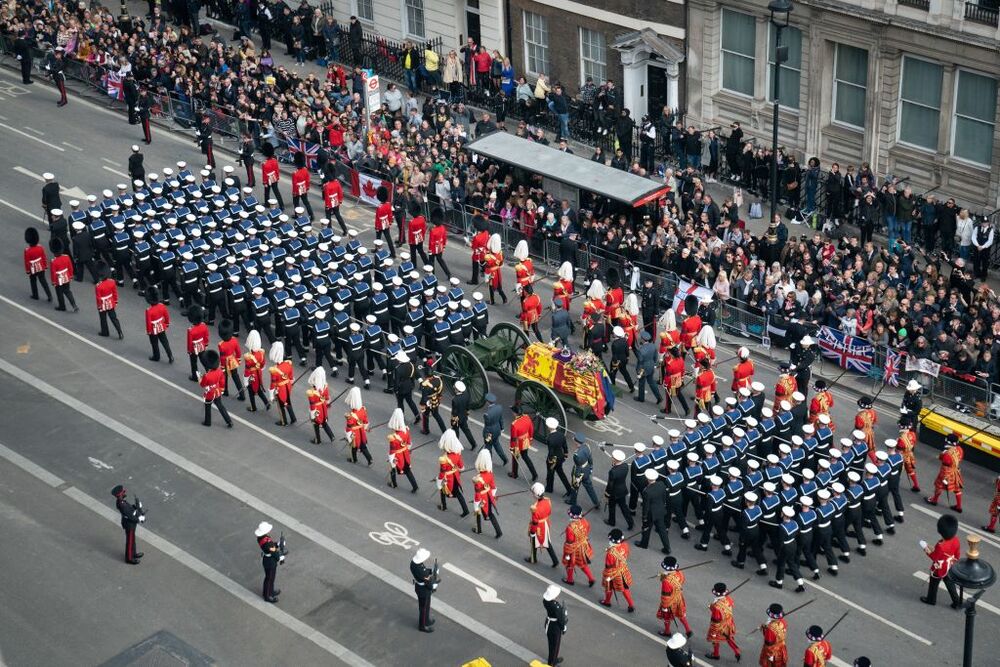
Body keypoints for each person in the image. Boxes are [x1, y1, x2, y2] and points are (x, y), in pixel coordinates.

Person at [920, 514, 962, 607]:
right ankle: (957, 602)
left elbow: (934, 557)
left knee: (933, 584)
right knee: (950, 584)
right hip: (950, 566)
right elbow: (957, 555)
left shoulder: (940, 545)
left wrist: (926, 550)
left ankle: (931, 599)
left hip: (939, 569)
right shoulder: (956, 540)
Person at [636, 468, 671, 554]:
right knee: (662, 530)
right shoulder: (662, 484)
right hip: (660, 510)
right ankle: (667, 548)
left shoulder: (647, 491)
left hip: (651, 514)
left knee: (646, 528)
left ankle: (644, 544)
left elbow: (646, 506)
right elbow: (664, 497)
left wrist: (644, 517)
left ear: (648, 479)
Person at [600, 528, 635, 612]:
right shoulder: (625, 545)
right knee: (625, 588)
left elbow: (608, 565)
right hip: (623, 569)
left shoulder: (611, 552)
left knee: (608, 587)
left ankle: (607, 601)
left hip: (612, 571)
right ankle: (631, 604)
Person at [926, 434, 964, 512]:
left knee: (938, 485)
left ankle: (934, 500)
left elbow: (945, 463)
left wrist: (943, 454)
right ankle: (959, 506)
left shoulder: (947, 454)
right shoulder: (960, 449)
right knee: (957, 489)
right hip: (955, 471)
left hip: (946, 472)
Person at [656, 556, 692, 637]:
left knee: (666, 617)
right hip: (678, 597)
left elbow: (665, 594)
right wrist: (664, 575)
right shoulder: (680, 573)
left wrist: (664, 606)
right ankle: (688, 630)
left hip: (670, 601)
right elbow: (682, 581)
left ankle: (667, 631)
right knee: (681, 615)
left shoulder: (666, 581)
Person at [436, 430, 470, 515]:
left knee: (442, 490)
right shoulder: (457, 454)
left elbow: (442, 472)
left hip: (448, 478)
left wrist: (439, 480)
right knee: (458, 493)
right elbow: (461, 466)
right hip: (455, 476)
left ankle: (444, 506)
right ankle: (465, 510)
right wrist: (458, 470)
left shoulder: (444, 459)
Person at [562, 504, 595, 586]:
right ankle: (591, 578)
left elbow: (569, 541)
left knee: (570, 563)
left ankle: (570, 580)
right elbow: (587, 531)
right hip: (583, 546)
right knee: (583, 564)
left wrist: (567, 552)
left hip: (574, 548)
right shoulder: (585, 521)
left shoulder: (570, 528)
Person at [527, 482, 560, 567]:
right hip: (545, 523)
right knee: (547, 542)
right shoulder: (547, 500)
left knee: (534, 541)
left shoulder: (535, 509)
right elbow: (549, 511)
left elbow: (534, 522)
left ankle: (533, 558)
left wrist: (532, 532)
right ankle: (555, 560)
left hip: (538, 527)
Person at [706, 582, 740, 661]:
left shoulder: (717, 607)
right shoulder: (728, 599)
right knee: (729, 638)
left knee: (715, 640)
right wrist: (713, 607)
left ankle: (716, 654)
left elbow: (716, 620)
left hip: (720, 626)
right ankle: (737, 651)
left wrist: (714, 632)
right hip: (729, 623)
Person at [387, 408, 419, 492]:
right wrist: (407, 449)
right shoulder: (406, 431)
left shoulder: (393, 438)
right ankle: (415, 485)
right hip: (405, 454)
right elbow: (408, 443)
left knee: (392, 467)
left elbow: (392, 450)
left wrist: (391, 458)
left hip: (397, 455)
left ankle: (394, 484)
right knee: (408, 470)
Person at [472, 449, 502, 538]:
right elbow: (493, 487)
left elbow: (477, 494)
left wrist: (476, 505)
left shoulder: (478, 479)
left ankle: (479, 529)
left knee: (478, 512)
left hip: (482, 497)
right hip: (488, 495)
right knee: (490, 513)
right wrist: (492, 496)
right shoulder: (490, 474)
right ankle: (498, 531)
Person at [112, 485, 145, 564]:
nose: (125, 492)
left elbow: (130, 509)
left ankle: (133, 553)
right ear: (120, 495)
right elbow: (130, 515)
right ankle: (129, 558)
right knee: (130, 541)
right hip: (129, 524)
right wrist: (139, 519)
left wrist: (136, 506)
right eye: (123, 492)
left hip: (131, 523)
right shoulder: (122, 504)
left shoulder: (122, 501)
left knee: (132, 539)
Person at [199, 350, 233, 428]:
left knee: (208, 407)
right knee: (220, 406)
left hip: (210, 393)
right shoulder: (220, 371)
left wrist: (200, 378)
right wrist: (221, 389)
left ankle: (208, 422)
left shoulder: (207, 376)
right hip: (217, 391)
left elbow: (202, 384)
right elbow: (222, 382)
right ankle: (229, 421)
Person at [268, 341, 297, 426]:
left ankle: (283, 421)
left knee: (281, 405)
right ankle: (293, 417)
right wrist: (291, 382)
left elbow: (272, 384)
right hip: (288, 386)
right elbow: (291, 377)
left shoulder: (275, 369)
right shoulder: (288, 364)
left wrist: (271, 395)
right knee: (287, 402)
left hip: (280, 389)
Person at [255, 521, 284, 603]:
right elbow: (273, 552)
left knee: (271, 577)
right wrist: (280, 557)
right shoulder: (266, 542)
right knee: (269, 578)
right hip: (270, 561)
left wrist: (277, 544)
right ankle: (267, 595)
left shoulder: (262, 538)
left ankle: (271, 591)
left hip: (268, 560)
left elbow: (271, 545)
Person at [93, 262, 123, 339]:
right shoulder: (112, 282)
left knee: (103, 319)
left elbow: (98, 298)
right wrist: (115, 301)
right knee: (114, 318)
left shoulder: (98, 286)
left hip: (103, 304)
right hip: (110, 302)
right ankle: (120, 332)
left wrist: (99, 306)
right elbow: (115, 293)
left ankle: (105, 332)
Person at [509, 405, 539, 480]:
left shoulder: (514, 424)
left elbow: (513, 438)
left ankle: (514, 474)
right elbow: (531, 429)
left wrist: (512, 447)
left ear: (515, 413)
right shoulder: (527, 417)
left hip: (518, 444)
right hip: (526, 441)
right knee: (526, 457)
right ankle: (534, 474)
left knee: (515, 459)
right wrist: (531, 438)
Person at [411, 547, 438, 632]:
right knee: (424, 608)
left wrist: (430, 571)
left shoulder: (414, 563)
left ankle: (427, 620)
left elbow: (424, 570)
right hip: (423, 590)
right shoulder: (420, 570)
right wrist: (433, 586)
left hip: (421, 588)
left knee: (427, 605)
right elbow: (428, 582)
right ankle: (422, 625)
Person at [606, 449, 634, 529]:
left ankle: (611, 521)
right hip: (622, 490)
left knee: (611, 506)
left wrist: (607, 494)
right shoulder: (625, 466)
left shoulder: (613, 472)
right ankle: (630, 522)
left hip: (614, 493)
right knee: (624, 507)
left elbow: (610, 485)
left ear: (615, 459)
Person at [243, 330, 271, 412]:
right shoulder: (261, 353)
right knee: (258, 389)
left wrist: (245, 381)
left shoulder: (248, 357)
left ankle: (253, 407)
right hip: (259, 373)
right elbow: (262, 365)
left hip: (252, 375)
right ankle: (266, 403)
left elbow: (247, 370)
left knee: (250, 390)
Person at [144, 287, 173, 363]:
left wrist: (149, 331)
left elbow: (148, 322)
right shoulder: (162, 306)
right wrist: (166, 323)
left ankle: (156, 356)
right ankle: (170, 355)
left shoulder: (149, 310)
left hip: (153, 329)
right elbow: (166, 316)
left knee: (154, 343)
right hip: (161, 326)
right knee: (165, 342)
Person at [345, 386, 373, 465]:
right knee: (363, 445)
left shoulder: (351, 415)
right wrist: (365, 428)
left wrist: (349, 436)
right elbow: (365, 421)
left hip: (355, 432)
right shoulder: (363, 410)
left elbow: (349, 426)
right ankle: (369, 458)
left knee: (354, 447)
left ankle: (354, 459)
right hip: (361, 431)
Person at [417, 357, 446, 433]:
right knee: (437, 416)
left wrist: (422, 405)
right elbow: (440, 389)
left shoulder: (425, 384)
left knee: (425, 415)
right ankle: (444, 430)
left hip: (428, 402)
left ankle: (426, 430)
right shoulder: (438, 379)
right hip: (435, 400)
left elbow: (424, 398)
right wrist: (439, 397)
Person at [49, 238, 78, 312]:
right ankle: (74, 305)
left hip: (59, 279)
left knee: (59, 293)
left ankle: (62, 306)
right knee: (68, 291)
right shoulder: (66, 257)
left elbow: (53, 273)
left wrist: (53, 282)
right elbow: (70, 267)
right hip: (66, 277)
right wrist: (71, 275)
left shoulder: (53, 261)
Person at [24, 227, 52, 302]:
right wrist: (45, 265)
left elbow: (27, 262)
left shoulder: (27, 251)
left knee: (33, 281)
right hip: (41, 267)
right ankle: (49, 295)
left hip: (33, 268)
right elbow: (43, 257)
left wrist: (27, 270)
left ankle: (35, 295)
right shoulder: (40, 247)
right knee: (43, 281)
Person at [307, 367, 334, 444]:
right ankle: (331, 436)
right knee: (324, 422)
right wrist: (327, 403)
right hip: (323, 407)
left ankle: (317, 439)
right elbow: (327, 397)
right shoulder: (325, 387)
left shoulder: (312, 391)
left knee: (316, 423)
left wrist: (312, 416)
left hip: (317, 409)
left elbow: (312, 405)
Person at [543, 584, 568, 666]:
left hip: (549, 623)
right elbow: (561, 619)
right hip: (555, 627)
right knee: (555, 646)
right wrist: (563, 627)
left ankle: (552, 659)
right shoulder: (555, 606)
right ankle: (552, 663)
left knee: (552, 645)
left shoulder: (545, 601)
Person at [635, 331, 662, 404]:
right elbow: (655, 357)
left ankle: (641, 398)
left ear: (643, 339)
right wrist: (654, 364)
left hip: (643, 368)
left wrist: (638, 371)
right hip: (651, 366)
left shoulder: (641, 350)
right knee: (651, 382)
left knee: (641, 383)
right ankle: (659, 396)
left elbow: (640, 361)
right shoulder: (653, 346)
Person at [481, 392, 507, 465]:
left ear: (487, 402)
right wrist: (502, 428)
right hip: (497, 430)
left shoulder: (487, 414)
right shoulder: (499, 407)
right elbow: (501, 419)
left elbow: (487, 427)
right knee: (497, 445)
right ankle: (504, 459)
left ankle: (488, 462)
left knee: (488, 448)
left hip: (490, 433)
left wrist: (485, 435)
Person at [759, 603, 788, 667]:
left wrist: (770, 656)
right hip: (781, 648)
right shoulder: (783, 622)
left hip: (772, 652)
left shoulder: (770, 628)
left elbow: (768, 643)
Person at [450, 381, 477, 449]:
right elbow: (468, 406)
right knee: (466, 431)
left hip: (457, 418)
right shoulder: (466, 394)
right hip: (464, 416)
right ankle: (473, 443)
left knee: (456, 431)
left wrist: (453, 420)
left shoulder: (455, 399)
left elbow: (454, 412)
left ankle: (455, 446)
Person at [186, 306, 210, 382]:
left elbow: (190, 342)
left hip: (194, 348)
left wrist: (189, 350)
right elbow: (206, 336)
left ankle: (195, 376)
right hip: (202, 345)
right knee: (204, 360)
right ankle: (209, 372)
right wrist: (206, 343)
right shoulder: (204, 325)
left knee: (194, 363)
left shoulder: (190, 330)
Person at [483, 233, 508, 305]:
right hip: (497, 271)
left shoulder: (488, 256)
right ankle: (504, 297)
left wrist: (486, 278)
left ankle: (492, 301)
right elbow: (501, 264)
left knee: (491, 288)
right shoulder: (500, 253)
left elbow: (487, 268)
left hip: (492, 273)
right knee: (499, 286)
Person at [427, 208, 451, 278]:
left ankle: (432, 275)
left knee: (431, 261)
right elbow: (444, 238)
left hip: (433, 248)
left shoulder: (433, 230)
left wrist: (430, 250)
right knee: (440, 260)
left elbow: (431, 242)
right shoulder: (443, 227)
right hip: (440, 247)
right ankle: (448, 274)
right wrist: (443, 246)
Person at [261, 144, 285, 210]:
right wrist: (277, 178)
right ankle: (282, 205)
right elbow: (277, 170)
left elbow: (264, 174)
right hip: (274, 178)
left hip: (268, 179)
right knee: (276, 192)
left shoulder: (264, 163)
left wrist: (264, 182)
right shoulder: (275, 160)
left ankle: (267, 203)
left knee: (266, 192)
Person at [291, 153, 314, 220]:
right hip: (304, 188)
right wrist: (307, 187)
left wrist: (294, 192)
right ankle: (311, 215)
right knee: (306, 202)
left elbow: (294, 184)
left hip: (297, 190)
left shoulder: (295, 173)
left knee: (296, 203)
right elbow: (307, 180)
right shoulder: (305, 170)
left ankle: (296, 215)